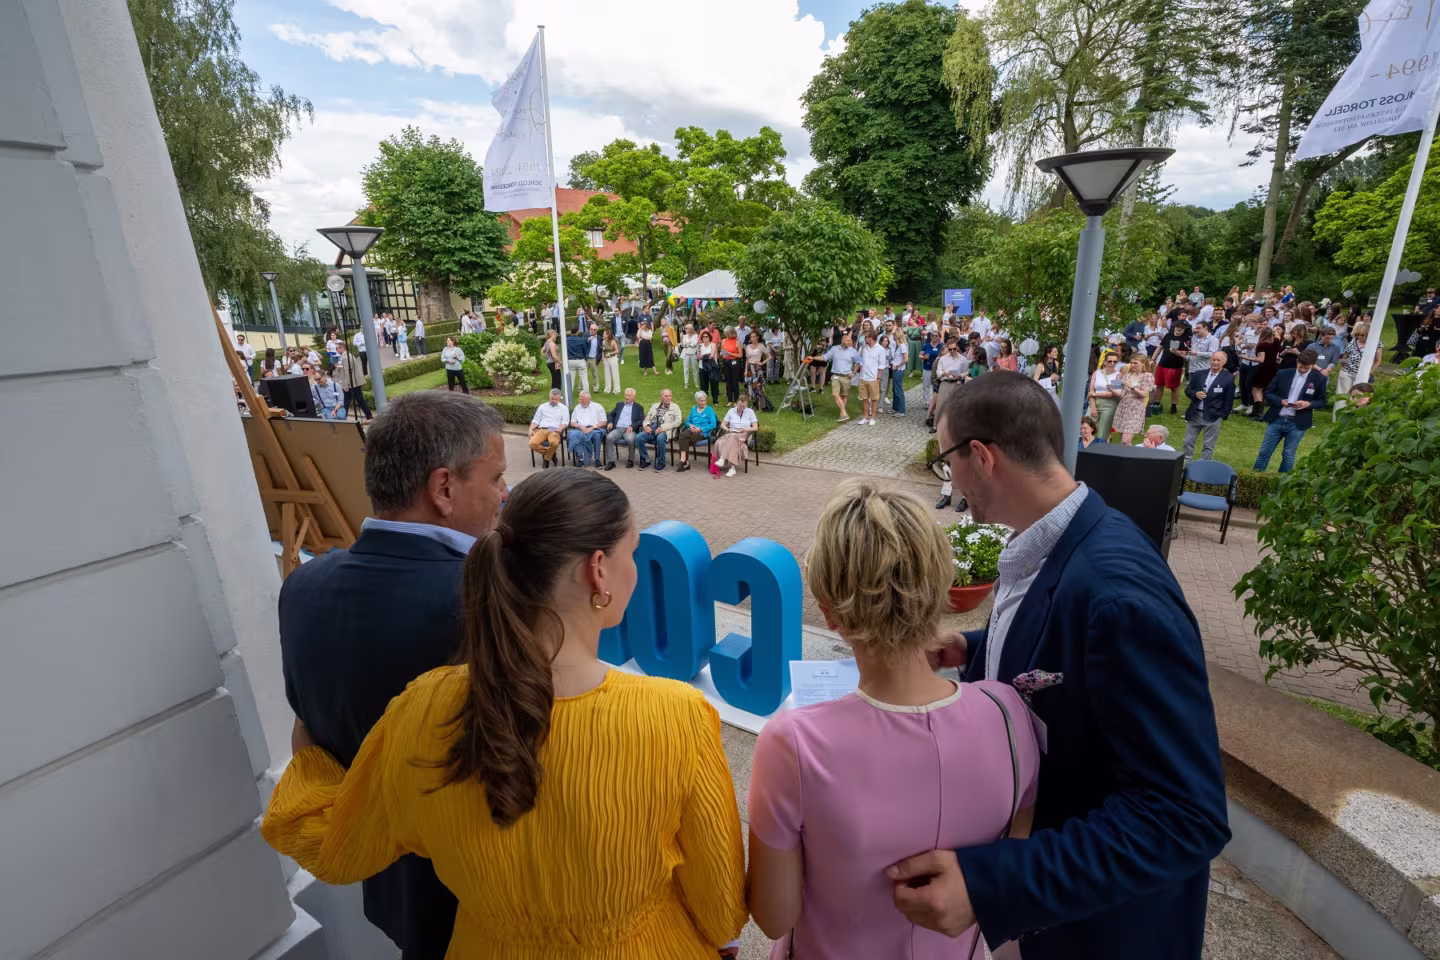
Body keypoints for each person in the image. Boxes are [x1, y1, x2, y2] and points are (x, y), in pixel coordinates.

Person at [264, 470, 748, 960]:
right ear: (597, 570)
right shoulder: (675, 717)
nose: (637, 570)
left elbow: (336, 848)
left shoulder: (423, 708)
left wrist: (306, 751)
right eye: (634, 552)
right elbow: (721, 909)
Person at [889, 372, 1230, 960]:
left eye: (948, 461)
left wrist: (996, 883)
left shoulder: (1118, 595)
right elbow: (1075, 662)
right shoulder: (1061, 543)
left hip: (1106, 936)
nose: (953, 481)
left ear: (980, 457)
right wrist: (975, 647)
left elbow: (1183, 816)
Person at [747, 481, 1039, 959]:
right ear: (944, 587)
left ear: (830, 613)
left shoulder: (792, 742)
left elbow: (775, 915)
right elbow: (1013, 861)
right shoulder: (1009, 713)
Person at [275, 393, 506, 959]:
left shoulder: (302, 587)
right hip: (490, 903)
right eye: (497, 477)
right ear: (444, 489)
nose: (505, 495)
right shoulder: (490, 600)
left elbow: (309, 737)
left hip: (389, 890)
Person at [1254, 349, 1328, 473]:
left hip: (1298, 423)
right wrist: (1281, 401)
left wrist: (1308, 403)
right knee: (1264, 451)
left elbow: (1322, 401)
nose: (1303, 370)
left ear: (1313, 365)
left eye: (1306, 368)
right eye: (1300, 367)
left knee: (1288, 454)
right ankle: (1255, 476)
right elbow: (1268, 393)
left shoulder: (1319, 379)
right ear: (1297, 361)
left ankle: (1281, 482)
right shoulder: (1283, 374)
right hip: (1278, 418)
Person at [1182, 351, 1235, 461]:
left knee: (1208, 445)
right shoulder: (1199, 374)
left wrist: (1223, 415)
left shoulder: (1228, 378)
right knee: (1188, 441)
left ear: (1224, 362)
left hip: (1213, 416)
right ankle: (1185, 464)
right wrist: (1195, 394)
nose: (1215, 362)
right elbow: (1188, 390)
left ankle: (1204, 467)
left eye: (1218, 360)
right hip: (1195, 414)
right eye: (1213, 359)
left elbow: (1229, 399)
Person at [1153, 313, 1192, 414]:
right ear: (1174, 326)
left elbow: (1185, 354)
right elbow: (1160, 347)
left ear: (1184, 329)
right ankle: (1157, 403)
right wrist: (1153, 359)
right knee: (1159, 385)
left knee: (1174, 387)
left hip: (1175, 366)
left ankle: (1173, 406)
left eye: (1182, 327)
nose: (1179, 329)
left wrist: (1176, 352)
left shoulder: (1186, 339)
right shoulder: (1168, 335)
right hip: (1162, 364)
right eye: (1178, 326)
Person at [636, 388, 683, 471]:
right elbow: (647, 418)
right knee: (639, 437)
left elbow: (678, 421)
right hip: (652, 427)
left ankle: (661, 462)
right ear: (662, 397)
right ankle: (646, 460)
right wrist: (646, 426)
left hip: (665, 429)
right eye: (666, 396)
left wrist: (663, 427)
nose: (668, 397)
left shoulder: (675, 407)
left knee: (660, 438)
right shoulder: (655, 406)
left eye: (669, 396)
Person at [713, 395, 758, 478]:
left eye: (744, 406)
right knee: (720, 442)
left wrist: (747, 429)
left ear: (746, 405)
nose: (742, 408)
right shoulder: (731, 411)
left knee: (732, 437)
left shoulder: (750, 412)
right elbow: (723, 424)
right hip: (732, 433)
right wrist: (728, 429)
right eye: (740, 406)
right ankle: (732, 468)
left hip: (744, 434)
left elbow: (755, 427)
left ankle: (722, 459)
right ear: (737, 403)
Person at [1114, 354, 1153, 445]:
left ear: (1143, 363)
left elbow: (1144, 394)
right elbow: (1122, 392)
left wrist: (1132, 387)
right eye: (1131, 363)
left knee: (1125, 441)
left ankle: (1128, 458)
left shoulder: (1147, 376)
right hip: (1124, 406)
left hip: (1135, 409)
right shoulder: (1128, 375)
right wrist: (1112, 388)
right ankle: (1123, 457)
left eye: (1136, 363)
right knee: (1123, 440)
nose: (1133, 365)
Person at [603, 387, 645, 470]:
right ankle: (611, 461)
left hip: (629, 429)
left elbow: (641, 420)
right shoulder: (619, 405)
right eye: (626, 395)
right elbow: (611, 414)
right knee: (609, 438)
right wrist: (610, 422)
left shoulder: (638, 407)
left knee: (631, 439)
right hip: (618, 428)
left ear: (634, 397)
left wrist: (632, 426)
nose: (627, 397)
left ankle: (630, 459)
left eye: (629, 395)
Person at [675, 391, 717, 472]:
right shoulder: (693, 409)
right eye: (701, 401)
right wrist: (690, 425)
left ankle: (683, 461)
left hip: (702, 433)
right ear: (697, 401)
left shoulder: (709, 410)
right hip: (691, 432)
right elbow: (687, 421)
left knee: (682, 436)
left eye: (704, 400)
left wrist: (700, 429)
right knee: (685, 439)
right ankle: (685, 462)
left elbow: (713, 424)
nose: (703, 402)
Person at [1244, 325, 1280, 420]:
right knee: (1260, 389)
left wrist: (1245, 357)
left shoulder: (1262, 345)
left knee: (1256, 390)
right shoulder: (1276, 342)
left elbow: (1261, 359)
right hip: (1273, 368)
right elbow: (1277, 336)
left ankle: (1259, 413)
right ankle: (1255, 411)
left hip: (1263, 368)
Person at [333, 341, 372, 422]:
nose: (336, 350)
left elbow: (348, 371)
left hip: (353, 383)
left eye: (337, 348)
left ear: (342, 348)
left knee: (352, 401)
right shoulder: (347, 356)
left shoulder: (345, 357)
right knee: (354, 400)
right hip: (353, 382)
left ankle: (344, 418)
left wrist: (347, 384)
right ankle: (368, 416)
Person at [529, 389, 569, 468]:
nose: (553, 401)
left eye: (556, 399)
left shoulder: (564, 408)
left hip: (554, 430)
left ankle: (546, 459)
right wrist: (530, 429)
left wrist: (561, 428)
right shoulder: (542, 406)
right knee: (532, 444)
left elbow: (565, 422)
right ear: (549, 397)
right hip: (542, 429)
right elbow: (535, 420)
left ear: (559, 398)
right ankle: (551, 454)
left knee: (554, 443)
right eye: (552, 399)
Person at [1089, 351, 1123, 442]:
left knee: (1103, 433)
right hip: (1094, 402)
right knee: (1086, 427)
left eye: (1115, 362)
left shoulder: (1118, 376)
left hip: (1109, 404)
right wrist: (1093, 407)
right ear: (1105, 362)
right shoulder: (1097, 373)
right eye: (1110, 361)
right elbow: (1091, 391)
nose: (1112, 363)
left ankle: (1100, 450)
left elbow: (1113, 393)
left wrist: (1095, 394)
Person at [567, 391, 607, 467]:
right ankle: (581, 459)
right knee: (576, 435)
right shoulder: (577, 408)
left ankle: (597, 459)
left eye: (583, 399)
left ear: (589, 399)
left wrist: (592, 428)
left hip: (595, 429)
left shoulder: (598, 407)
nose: (580, 401)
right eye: (580, 399)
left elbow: (604, 422)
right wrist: (580, 427)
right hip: (580, 429)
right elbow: (572, 422)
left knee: (597, 436)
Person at [856, 332, 888, 426]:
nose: (865, 339)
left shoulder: (880, 349)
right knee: (864, 398)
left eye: (866, 337)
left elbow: (881, 365)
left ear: (870, 338)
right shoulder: (864, 347)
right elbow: (859, 360)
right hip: (863, 377)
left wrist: (878, 377)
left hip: (873, 377)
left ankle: (873, 417)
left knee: (874, 399)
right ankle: (866, 417)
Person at [1337, 323, 1369, 395]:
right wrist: (1343, 366)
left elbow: (1377, 360)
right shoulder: (1351, 344)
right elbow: (1344, 357)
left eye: (1362, 335)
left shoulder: (1374, 344)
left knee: (1358, 394)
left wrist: (1370, 372)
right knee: (1343, 394)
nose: (1359, 337)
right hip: (1347, 372)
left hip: (1362, 373)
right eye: (1357, 335)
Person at [744, 331, 772, 411]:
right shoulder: (748, 346)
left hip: (757, 368)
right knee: (750, 386)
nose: (752, 338)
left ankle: (761, 405)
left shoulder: (761, 346)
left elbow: (770, 356)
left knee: (759, 386)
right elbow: (747, 359)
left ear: (757, 337)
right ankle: (752, 404)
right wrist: (745, 370)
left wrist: (762, 362)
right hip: (750, 367)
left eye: (754, 336)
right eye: (751, 337)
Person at [719, 327, 743, 403]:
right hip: (726, 361)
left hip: (735, 362)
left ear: (732, 333)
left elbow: (740, 355)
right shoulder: (723, 341)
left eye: (728, 334)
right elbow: (722, 351)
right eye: (725, 334)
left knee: (734, 381)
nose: (727, 335)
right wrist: (722, 353)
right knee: (728, 381)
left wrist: (730, 353)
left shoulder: (737, 342)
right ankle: (729, 400)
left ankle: (736, 400)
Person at [696, 330, 720, 403]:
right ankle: (703, 400)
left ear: (709, 337)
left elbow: (712, 356)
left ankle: (715, 400)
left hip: (712, 367)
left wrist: (702, 357)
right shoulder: (700, 346)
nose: (705, 338)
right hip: (702, 367)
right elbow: (698, 357)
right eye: (703, 337)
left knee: (714, 384)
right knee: (703, 385)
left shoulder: (713, 345)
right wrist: (699, 350)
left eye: (706, 336)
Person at [888, 331, 909, 415]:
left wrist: (897, 366)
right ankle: (895, 407)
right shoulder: (897, 346)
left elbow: (906, 359)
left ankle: (901, 410)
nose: (893, 338)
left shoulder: (903, 346)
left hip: (899, 369)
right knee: (894, 389)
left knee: (898, 389)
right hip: (895, 368)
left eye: (894, 336)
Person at [920, 331, 941, 407]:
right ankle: (926, 402)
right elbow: (920, 355)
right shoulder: (926, 346)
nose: (934, 337)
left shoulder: (941, 346)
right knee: (926, 385)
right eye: (933, 335)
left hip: (937, 369)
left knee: (936, 385)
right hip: (927, 367)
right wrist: (923, 357)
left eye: (936, 335)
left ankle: (935, 401)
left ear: (939, 337)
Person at [567, 330, 591, 394]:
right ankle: (586, 394)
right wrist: (585, 357)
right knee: (584, 378)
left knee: (571, 380)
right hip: (580, 360)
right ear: (577, 332)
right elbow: (585, 350)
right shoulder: (581, 340)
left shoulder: (567, 340)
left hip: (570, 360)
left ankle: (569, 395)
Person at [601, 331, 621, 395]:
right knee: (607, 374)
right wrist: (603, 360)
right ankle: (607, 389)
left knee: (614, 374)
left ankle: (616, 389)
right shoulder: (603, 342)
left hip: (613, 359)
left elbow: (617, 351)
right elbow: (603, 351)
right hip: (606, 360)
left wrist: (610, 353)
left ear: (607, 335)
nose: (603, 334)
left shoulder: (612, 341)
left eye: (604, 333)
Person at [681, 324, 700, 388]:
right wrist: (689, 344)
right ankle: (686, 383)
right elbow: (683, 344)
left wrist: (688, 344)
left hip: (693, 353)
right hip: (686, 353)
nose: (685, 329)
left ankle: (696, 382)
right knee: (686, 369)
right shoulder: (684, 336)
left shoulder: (696, 336)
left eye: (686, 328)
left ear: (690, 329)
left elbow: (694, 344)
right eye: (685, 328)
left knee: (694, 369)